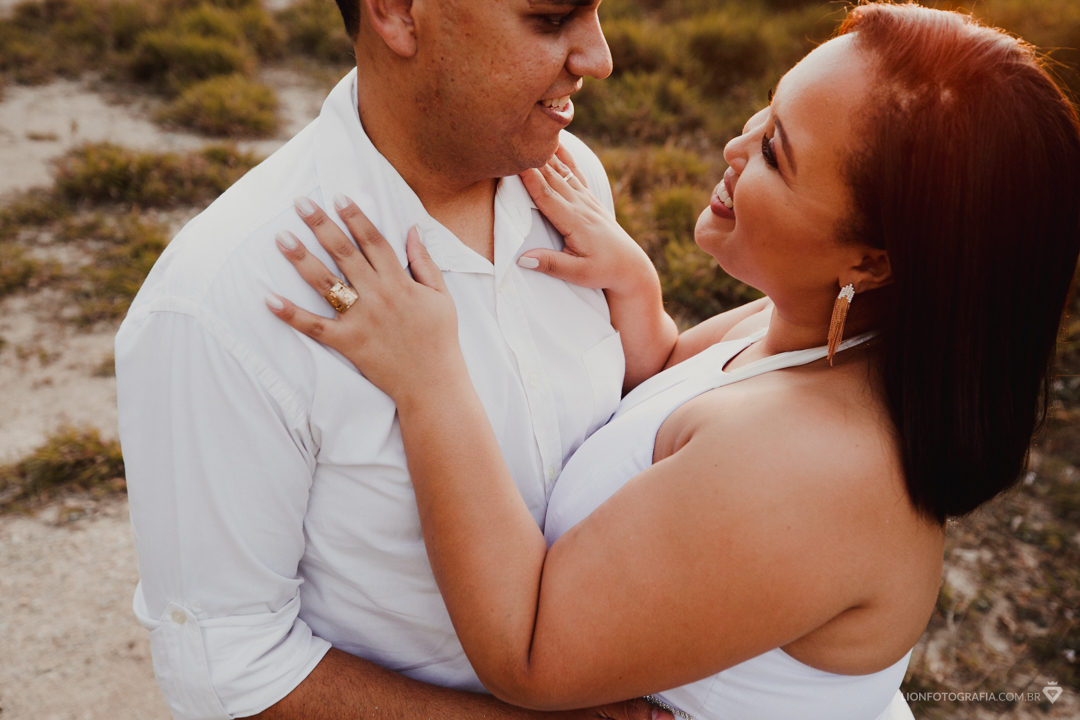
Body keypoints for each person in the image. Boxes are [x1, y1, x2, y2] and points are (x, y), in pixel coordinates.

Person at [267, 3, 1080, 719]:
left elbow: (530, 656)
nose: (736, 145)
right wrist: (634, 286)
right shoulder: (821, 332)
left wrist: (429, 380)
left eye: (776, 155)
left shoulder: (812, 471)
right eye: (767, 112)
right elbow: (664, 409)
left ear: (870, 264)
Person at [115, 0, 674, 718]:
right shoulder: (225, 301)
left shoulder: (567, 182)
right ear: (399, 14)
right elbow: (229, 665)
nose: (599, 58)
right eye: (549, 19)